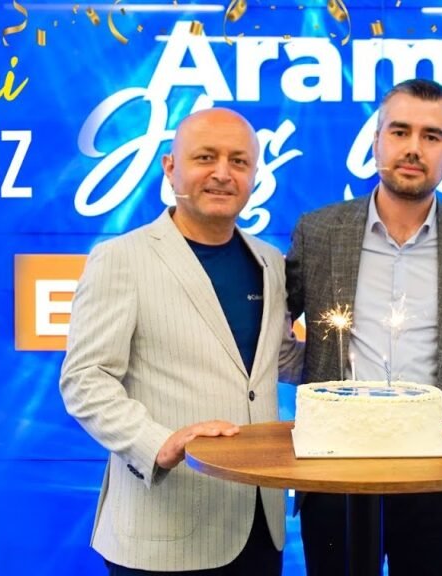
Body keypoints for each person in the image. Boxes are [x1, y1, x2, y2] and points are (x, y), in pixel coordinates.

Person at [59, 107, 301, 575]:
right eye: (205, 157)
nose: (223, 173)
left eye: (239, 161)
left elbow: (275, 359)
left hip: (258, 524)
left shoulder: (271, 261)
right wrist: (159, 444)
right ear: (170, 168)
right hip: (164, 528)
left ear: (255, 175)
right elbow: (85, 380)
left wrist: (360, 354)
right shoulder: (120, 259)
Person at [286, 78, 442, 575]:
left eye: (431, 136)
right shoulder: (318, 232)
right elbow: (267, 324)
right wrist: (303, 368)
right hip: (333, 465)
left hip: (440, 473)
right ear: (376, 142)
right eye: (400, 131)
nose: (413, 148)